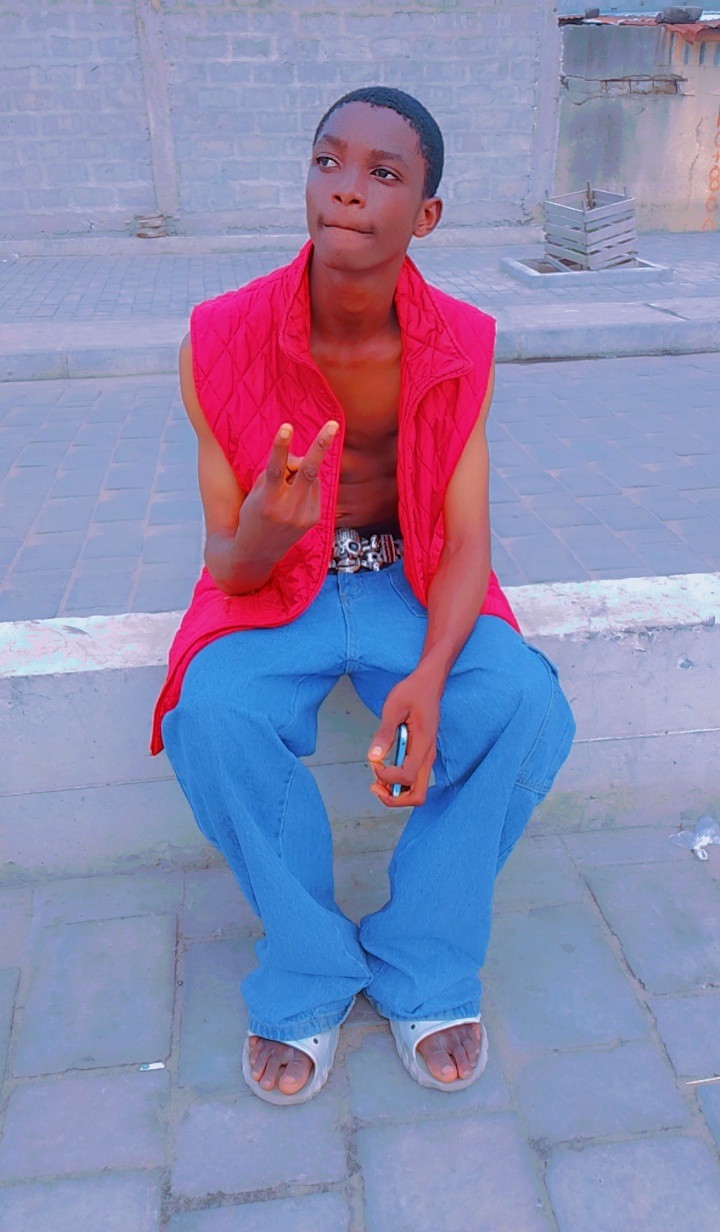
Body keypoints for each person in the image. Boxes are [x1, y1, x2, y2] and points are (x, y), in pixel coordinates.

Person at [152, 86, 575, 1106]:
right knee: (209, 714)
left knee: (523, 701)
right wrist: (267, 527)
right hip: (277, 589)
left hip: (406, 578)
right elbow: (227, 562)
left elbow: (466, 537)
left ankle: (423, 958)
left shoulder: (462, 342)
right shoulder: (217, 337)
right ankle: (308, 971)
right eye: (328, 161)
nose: (346, 190)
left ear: (425, 213)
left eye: (383, 173)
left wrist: (428, 677)